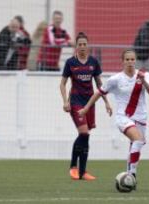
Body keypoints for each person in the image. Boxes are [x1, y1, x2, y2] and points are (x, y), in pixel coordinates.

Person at [78, 49, 149, 187]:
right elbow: (99, 93)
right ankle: (131, 175)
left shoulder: (144, 74)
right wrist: (86, 108)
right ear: (122, 61)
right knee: (137, 140)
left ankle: (130, 174)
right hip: (124, 117)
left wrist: (143, 81)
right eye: (127, 59)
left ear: (135, 60)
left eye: (132, 59)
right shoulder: (115, 79)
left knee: (136, 145)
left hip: (141, 118)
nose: (130, 62)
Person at [60, 32, 111, 180]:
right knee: (84, 133)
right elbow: (62, 84)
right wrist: (65, 101)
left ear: (88, 46)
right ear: (76, 47)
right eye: (79, 44)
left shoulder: (93, 62)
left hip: (90, 103)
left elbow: (99, 84)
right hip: (75, 102)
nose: (82, 46)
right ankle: (73, 167)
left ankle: (82, 172)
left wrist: (106, 102)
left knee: (86, 137)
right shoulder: (70, 63)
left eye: (84, 44)